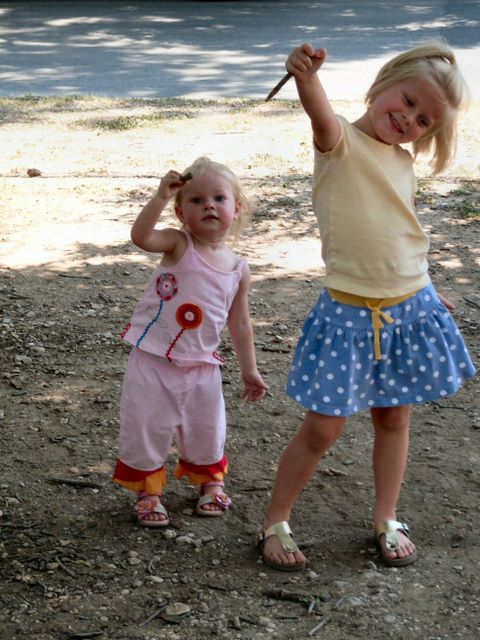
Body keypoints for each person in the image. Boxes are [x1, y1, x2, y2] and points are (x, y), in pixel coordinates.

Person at [259, 41, 476, 570]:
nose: (407, 119)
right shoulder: (339, 143)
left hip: (408, 308)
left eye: (423, 121)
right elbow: (319, 113)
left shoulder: (401, 161)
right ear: (382, 84)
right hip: (349, 316)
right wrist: (306, 77)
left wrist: (424, 287)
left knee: (394, 419)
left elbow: (401, 231)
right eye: (407, 101)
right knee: (322, 429)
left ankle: (386, 517)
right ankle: (276, 520)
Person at [113, 156, 268, 527]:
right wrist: (159, 198)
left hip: (202, 365)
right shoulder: (179, 244)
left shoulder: (238, 268)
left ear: (236, 208)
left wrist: (249, 369)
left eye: (219, 198)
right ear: (182, 213)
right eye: (197, 200)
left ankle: (211, 483)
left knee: (207, 427)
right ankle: (149, 493)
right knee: (147, 426)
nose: (209, 206)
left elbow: (240, 321)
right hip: (153, 361)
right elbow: (141, 238)